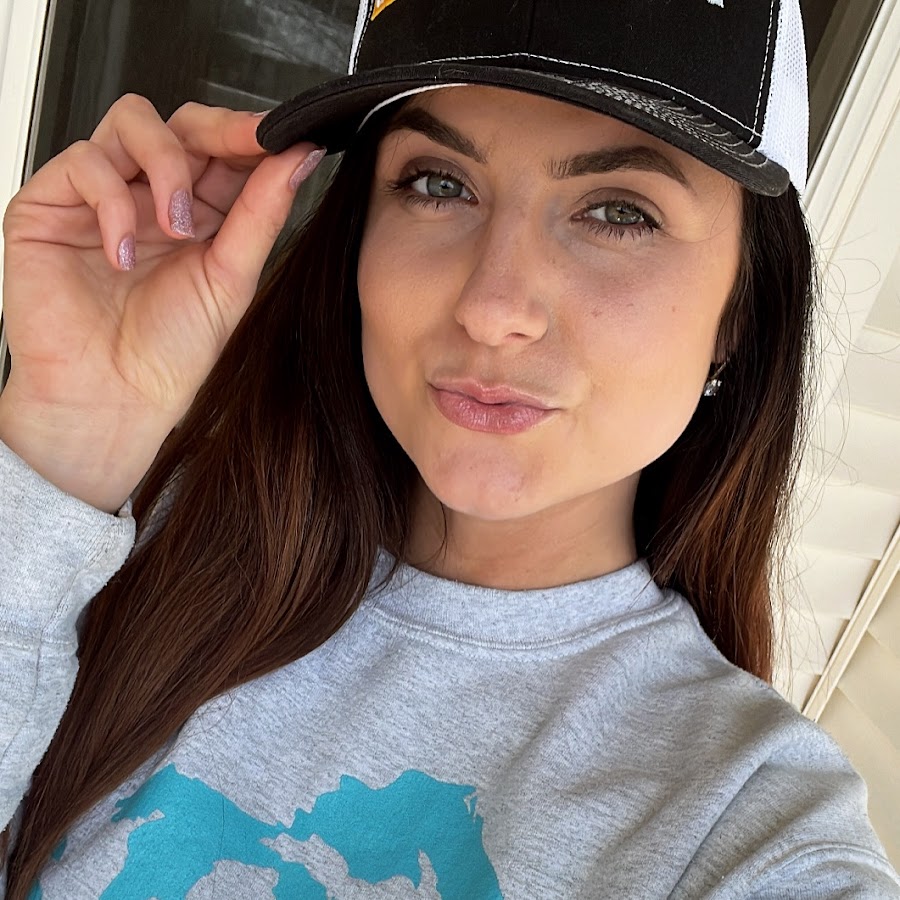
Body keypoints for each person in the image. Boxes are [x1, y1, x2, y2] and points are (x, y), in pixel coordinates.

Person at [0, 0, 898, 896]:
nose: (491, 306)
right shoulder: (117, 537)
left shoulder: (742, 817)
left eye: (619, 210)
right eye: (438, 184)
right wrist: (70, 431)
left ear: (742, 309)